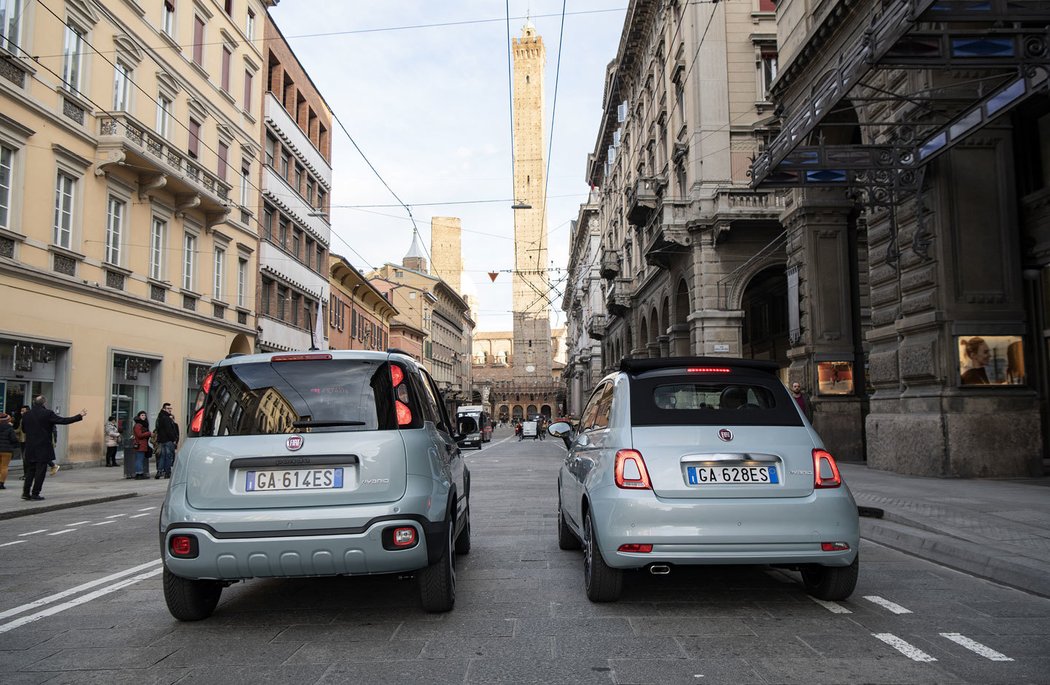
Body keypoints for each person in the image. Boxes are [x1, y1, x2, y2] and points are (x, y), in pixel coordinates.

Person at [20, 395, 86, 501]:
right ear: (44, 403)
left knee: (30, 471)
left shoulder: (26, 415)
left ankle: (25, 493)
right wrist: (79, 416)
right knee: (40, 471)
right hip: (43, 446)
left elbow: (24, 429)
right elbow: (63, 421)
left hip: (30, 447)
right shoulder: (47, 413)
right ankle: (35, 493)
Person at [155, 403, 179, 479]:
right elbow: (169, 430)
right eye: (168, 408)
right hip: (168, 440)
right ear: (164, 409)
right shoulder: (166, 418)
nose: (170, 410)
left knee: (162, 456)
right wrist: (173, 439)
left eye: (170, 408)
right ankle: (167, 472)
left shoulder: (159, 418)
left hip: (161, 440)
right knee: (168, 457)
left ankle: (159, 471)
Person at [132, 411, 152, 480]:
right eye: (142, 415)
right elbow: (139, 435)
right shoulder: (138, 425)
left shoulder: (142, 424)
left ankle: (139, 473)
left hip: (143, 444)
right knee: (139, 459)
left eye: (144, 415)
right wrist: (148, 433)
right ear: (139, 416)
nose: (144, 416)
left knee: (140, 459)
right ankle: (139, 473)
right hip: (140, 444)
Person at [0, 412, 17, 489]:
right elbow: (13, 439)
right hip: (7, 450)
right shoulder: (10, 428)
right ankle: (1, 483)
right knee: (4, 467)